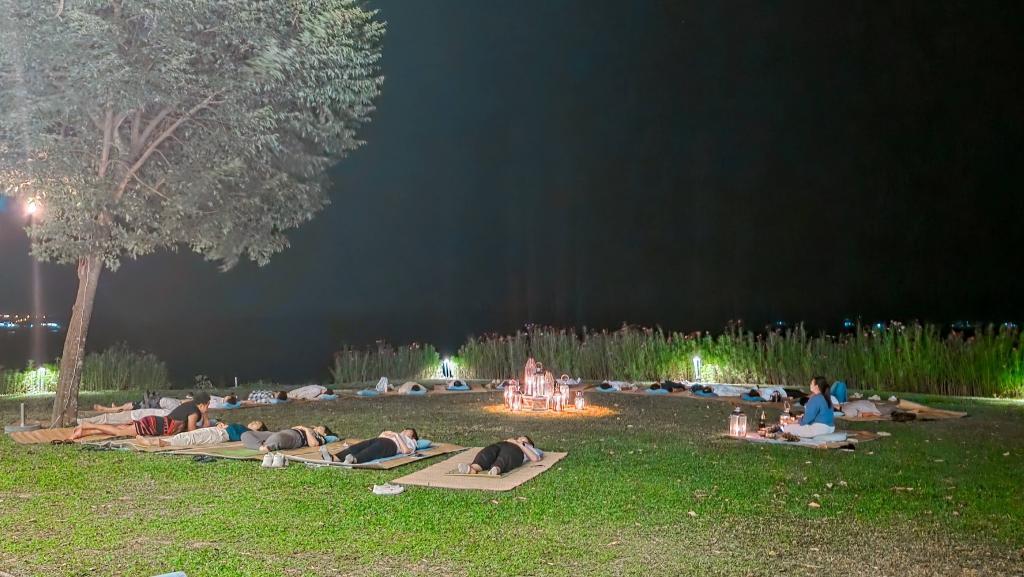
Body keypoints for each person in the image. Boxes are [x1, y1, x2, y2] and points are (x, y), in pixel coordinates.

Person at [71, 393, 212, 439]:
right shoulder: (193, 411)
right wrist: (204, 416)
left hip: (155, 424)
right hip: (152, 425)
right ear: (203, 404)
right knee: (119, 432)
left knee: (119, 430)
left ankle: (85, 432)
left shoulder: (192, 407)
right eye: (208, 405)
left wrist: (205, 414)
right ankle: (88, 425)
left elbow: (204, 426)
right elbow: (192, 432)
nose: (208, 407)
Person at [319, 428, 418, 464]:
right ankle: (333, 458)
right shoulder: (397, 434)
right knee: (359, 446)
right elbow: (380, 437)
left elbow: (406, 451)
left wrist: (397, 436)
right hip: (379, 440)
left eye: (409, 431)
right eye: (405, 430)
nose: (405, 431)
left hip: (392, 446)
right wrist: (383, 434)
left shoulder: (411, 441)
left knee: (373, 450)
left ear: (413, 436)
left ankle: (354, 459)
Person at [135, 420, 267, 447]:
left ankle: (158, 442)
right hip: (218, 430)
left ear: (259, 430)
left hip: (221, 435)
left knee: (194, 438)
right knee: (192, 434)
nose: (254, 422)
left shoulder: (250, 434)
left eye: (257, 423)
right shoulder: (243, 427)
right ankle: (162, 441)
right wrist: (221, 424)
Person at [458, 436, 541, 476]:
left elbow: (535, 459)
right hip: (502, 445)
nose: (520, 439)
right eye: (519, 438)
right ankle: (474, 468)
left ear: (530, 444)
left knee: (506, 456)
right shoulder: (512, 441)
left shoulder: (529, 448)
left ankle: (496, 469)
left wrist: (519, 444)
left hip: (516, 451)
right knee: (489, 451)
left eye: (523, 440)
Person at [240, 424, 334, 452]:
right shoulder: (311, 430)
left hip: (294, 437)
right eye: (317, 427)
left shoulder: (320, 437)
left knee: (278, 438)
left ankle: (268, 446)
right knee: (246, 434)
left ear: (325, 434)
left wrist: (305, 429)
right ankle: (261, 447)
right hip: (282, 433)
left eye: (320, 428)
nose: (316, 428)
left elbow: (314, 444)